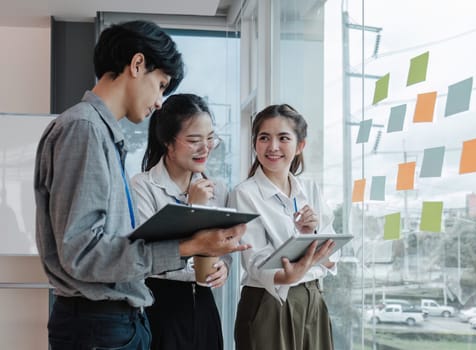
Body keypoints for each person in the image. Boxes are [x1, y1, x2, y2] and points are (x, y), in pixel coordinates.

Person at [34, 20, 248, 350]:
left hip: (113, 322)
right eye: (161, 84)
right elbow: (82, 253)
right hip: (99, 325)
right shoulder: (85, 130)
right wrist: (189, 246)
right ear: (137, 65)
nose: (160, 102)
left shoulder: (99, 133)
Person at [227, 104, 338, 350]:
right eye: (264, 138)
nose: (273, 147)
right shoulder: (245, 194)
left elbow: (333, 257)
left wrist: (313, 234)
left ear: (300, 146)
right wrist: (289, 273)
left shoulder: (310, 190)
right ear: (255, 144)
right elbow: (255, 260)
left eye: (283, 138)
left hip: (313, 299)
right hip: (268, 303)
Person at [131, 93, 229, 350]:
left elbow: (221, 245)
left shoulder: (217, 188)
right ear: (167, 142)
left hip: (205, 305)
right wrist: (191, 207)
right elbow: (143, 257)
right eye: (194, 140)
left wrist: (224, 267)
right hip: (160, 305)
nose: (205, 148)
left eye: (210, 139)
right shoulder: (143, 186)